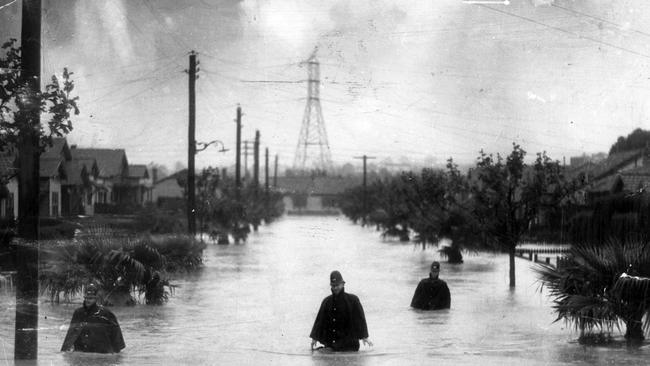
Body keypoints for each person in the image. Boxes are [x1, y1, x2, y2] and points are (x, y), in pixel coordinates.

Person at [310, 270, 373, 352]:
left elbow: (360, 319)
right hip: (331, 345)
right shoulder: (326, 302)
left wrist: (365, 337)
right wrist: (314, 338)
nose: (335, 288)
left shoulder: (353, 300)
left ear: (343, 284)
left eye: (337, 285)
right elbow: (320, 321)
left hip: (350, 346)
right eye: (333, 286)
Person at [61, 283, 125, 353]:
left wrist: (116, 354)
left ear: (96, 299)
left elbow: (116, 337)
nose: (88, 300)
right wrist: (65, 350)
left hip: (101, 355)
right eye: (86, 298)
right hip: (81, 354)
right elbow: (71, 335)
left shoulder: (106, 314)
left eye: (91, 298)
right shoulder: (78, 313)